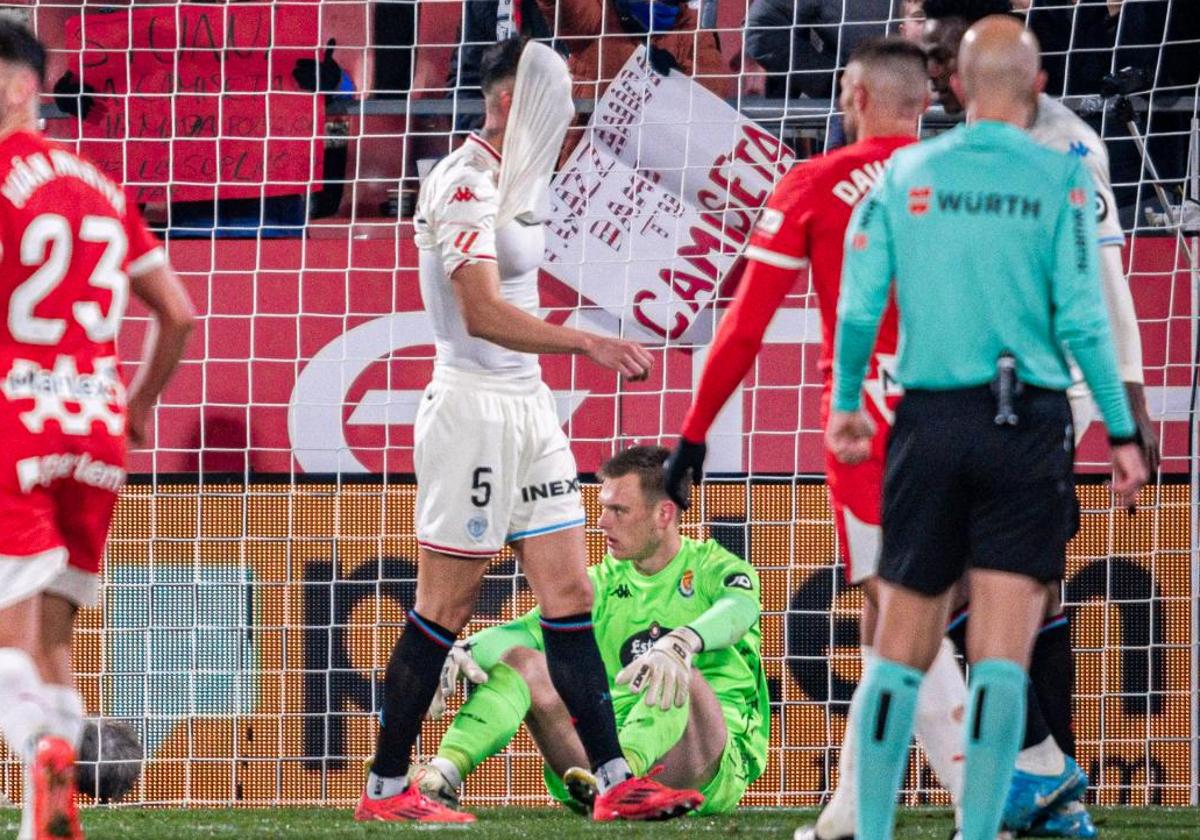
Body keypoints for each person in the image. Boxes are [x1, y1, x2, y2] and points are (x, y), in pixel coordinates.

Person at [357, 37, 702, 824]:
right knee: (447, 605)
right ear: (510, 99)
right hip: (473, 407)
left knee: (570, 591)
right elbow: (479, 311)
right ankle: (385, 791)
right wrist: (585, 338)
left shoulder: (518, 177)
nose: (572, 105)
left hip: (528, 405)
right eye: (560, 93)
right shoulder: (464, 184)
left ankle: (615, 779)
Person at [827, 17, 1148, 840]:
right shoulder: (1060, 179)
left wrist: (847, 403)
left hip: (928, 423)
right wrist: (1120, 433)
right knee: (1004, 655)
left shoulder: (905, 174)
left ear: (958, 88)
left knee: (898, 655)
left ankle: (871, 832)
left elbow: (861, 303)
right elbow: (1084, 321)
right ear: (1039, 87)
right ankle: (977, 835)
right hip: (1025, 425)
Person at [662, 38, 968, 840]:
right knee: (896, 622)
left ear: (858, 96)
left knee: (902, 614)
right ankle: (849, 811)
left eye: (841, 93)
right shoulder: (965, 179)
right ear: (926, 103)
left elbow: (744, 326)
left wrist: (692, 437)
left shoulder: (819, 182)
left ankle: (999, 795)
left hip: (870, 421)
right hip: (976, 416)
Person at [923, 2, 1159, 834]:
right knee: (1021, 593)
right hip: (970, 390)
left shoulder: (1064, 145)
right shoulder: (952, 143)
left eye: (938, 34)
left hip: (1034, 396)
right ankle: (1048, 782)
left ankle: (1040, 771)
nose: (930, 51)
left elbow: (1106, 281)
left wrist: (1128, 394)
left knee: (962, 584)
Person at [0, 20, 194, 840]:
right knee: (51, 640)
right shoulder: (101, 185)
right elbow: (179, 315)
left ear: (15, 83)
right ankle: (54, 809)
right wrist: (141, 403)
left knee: (8, 646)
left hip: (14, 417)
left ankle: (52, 754)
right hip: (96, 425)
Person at [412, 446, 769, 818]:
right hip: (599, 765)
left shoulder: (715, 567)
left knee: (676, 670)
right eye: (602, 508)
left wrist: (681, 643)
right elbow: (529, 631)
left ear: (663, 514)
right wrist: (465, 650)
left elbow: (739, 609)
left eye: (618, 511)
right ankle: (442, 774)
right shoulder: (599, 583)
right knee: (521, 662)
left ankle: (623, 781)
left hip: (703, 763)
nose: (602, 522)